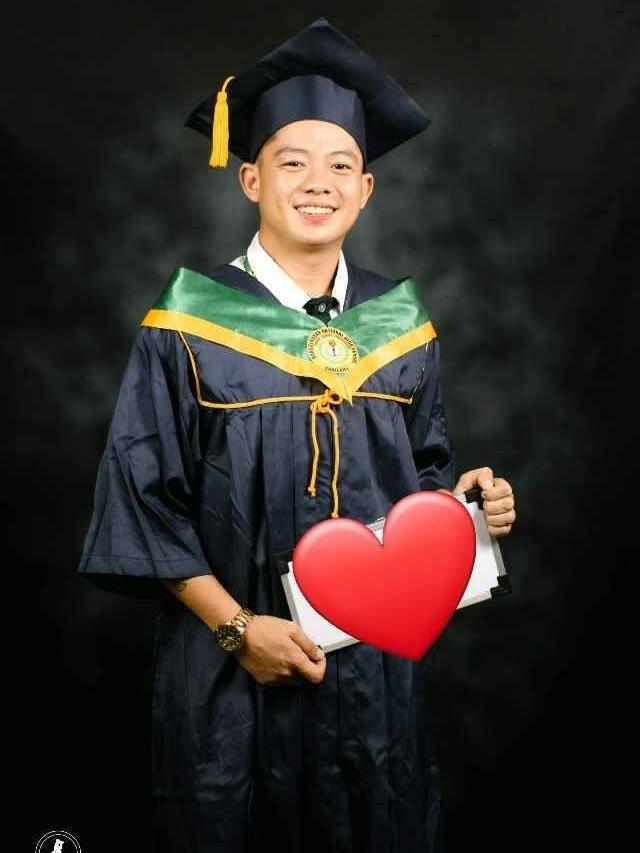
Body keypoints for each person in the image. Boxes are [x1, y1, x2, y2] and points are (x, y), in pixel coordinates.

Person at [78, 17, 516, 853]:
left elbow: (423, 480)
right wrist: (238, 629)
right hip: (228, 684)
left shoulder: (401, 327)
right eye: (292, 162)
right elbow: (143, 502)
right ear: (250, 178)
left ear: (366, 189)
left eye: (341, 165)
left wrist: (469, 507)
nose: (319, 183)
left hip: (374, 688)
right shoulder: (187, 324)